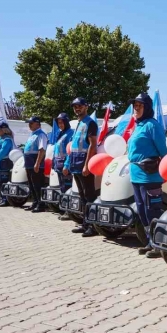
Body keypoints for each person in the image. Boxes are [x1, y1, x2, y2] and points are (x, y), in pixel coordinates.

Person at [127, 93, 167, 258]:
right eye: (135, 106)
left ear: (147, 107)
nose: (136, 108)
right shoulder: (138, 126)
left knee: (152, 210)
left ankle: (159, 244)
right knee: (142, 211)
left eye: (140, 105)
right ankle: (150, 241)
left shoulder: (153, 125)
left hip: (149, 176)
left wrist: (166, 169)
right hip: (135, 175)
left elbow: (164, 150)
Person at [63, 98, 99, 236]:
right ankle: (85, 224)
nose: (77, 109)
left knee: (89, 196)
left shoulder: (90, 123)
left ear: (86, 107)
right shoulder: (78, 123)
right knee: (82, 196)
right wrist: (68, 164)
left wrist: (87, 165)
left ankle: (93, 226)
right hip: (75, 164)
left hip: (84, 164)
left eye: (79, 106)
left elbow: (92, 145)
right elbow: (72, 147)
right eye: (75, 107)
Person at [22, 116, 48, 213]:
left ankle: (41, 204)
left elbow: (42, 150)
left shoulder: (41, 135)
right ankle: (35, 202)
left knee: (37, 184)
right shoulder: (32, 134)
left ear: (37, 124)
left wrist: (37, 163)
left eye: (31, 123)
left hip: (35, 163)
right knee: (31, 184)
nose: (29, 125)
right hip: (29, 163)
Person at [51, 113, 74, 220]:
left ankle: (69, 212)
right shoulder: (60, 134)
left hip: (65, 166)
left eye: (62, 122)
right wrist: (53, 162)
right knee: (63, 189)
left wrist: (66, 165)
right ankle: (65, 209)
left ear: (66, 122)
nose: (60, 125)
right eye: (58, 123)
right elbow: (56, 150)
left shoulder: (70, 133)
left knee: (68, 189)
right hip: (58, 165)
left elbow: (70, 151)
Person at [0, 122, 15, 207]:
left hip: (4, 162)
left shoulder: (7, 140)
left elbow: (3, 152)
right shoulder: (0, 139)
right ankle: (2, 198)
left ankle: (5, 199)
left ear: (4, 130)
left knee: (4, 181)